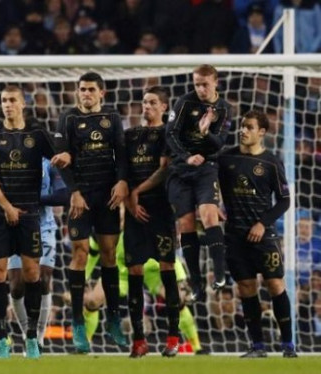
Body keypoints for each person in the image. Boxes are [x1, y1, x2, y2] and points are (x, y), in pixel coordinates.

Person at [0, 85, 70, 359]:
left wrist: (65, 156)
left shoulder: (37, 134)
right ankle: (2, 338)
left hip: (30, 215)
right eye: (3, 100)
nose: (7, 104)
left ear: (23, 104)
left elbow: (61, 157)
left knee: (33, 276)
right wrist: (6, 206)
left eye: (12, 100)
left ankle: (32, 336)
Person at [54, 72, 129, 351]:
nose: (85, 94)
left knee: (109, 254)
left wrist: (122, 181)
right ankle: (76, 323)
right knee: (80, 253)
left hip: (107, 195)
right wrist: (73, 192)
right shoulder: (68, 118)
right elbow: (63, 159)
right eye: (81, 89)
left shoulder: (112, 118)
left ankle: (113, 320)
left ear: (102, 93)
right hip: (80, 198)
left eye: (90, 90)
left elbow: (121, 154)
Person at [218, 110, 296, 358]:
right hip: (234, 236)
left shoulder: (271, 162)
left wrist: (263, 223)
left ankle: (288, 345)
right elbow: (210, 183)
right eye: (242, 126)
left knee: (275, 284)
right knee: (246, 288)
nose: (244, 130)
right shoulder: (226, 158)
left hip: (264, 237)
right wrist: (211, 205)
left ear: (261, 132)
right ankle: (257, 346)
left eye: (249, 127)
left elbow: (284, 201)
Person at [165, 64, 232, 300]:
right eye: (197, 84)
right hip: (181, 170)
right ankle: (196, 282)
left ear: (216, 82)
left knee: (209, 215)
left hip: (207, 168)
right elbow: (170, 133)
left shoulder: (224, 109)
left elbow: (220, 143)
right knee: (186, 226)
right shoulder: (184, 103)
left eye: (205, 84)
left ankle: (220, 273)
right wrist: (186, 156)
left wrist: (205, 132)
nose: (201, 89)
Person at [124, 86, 181, 357]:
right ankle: (138, 339)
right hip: (136, 213)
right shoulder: (130, 135)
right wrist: (129, 202)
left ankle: (172, 337)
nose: (146, 107)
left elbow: (165, 169)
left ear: (164, 107)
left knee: (167, 268)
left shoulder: (169, 135)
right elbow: (122, 173)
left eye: (152, 103)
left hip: (160, 211)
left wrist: (137, 192)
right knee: (134, 271)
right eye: (144, 102)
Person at [82, 233, 209, 356]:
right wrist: (84, 278)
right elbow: (92, 253)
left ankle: (197, 347)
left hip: (153, 270)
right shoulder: (107, 226)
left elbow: (170, 256)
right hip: (121, 272)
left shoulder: (151, 222)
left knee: (177, 299)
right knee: (93, 300)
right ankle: (84, 344)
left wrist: (181, 281)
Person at [8, 157, 68, 352]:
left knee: (43, 279)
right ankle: (27, 333)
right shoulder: (10, 158)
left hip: (45, 227)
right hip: (16, 227)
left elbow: (62, 195)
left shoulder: (48, 163)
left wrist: (33, 199)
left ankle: (37, 338)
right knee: (17, 286)